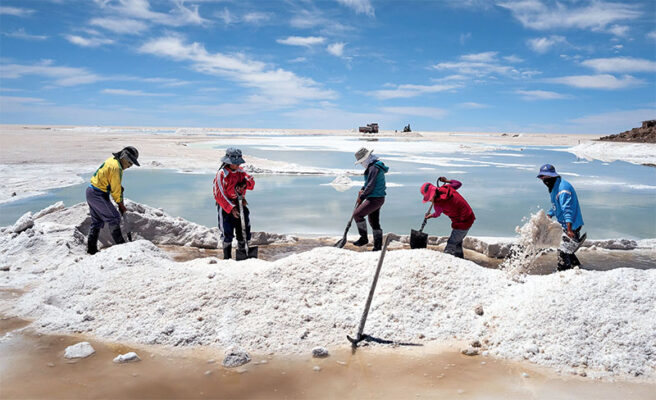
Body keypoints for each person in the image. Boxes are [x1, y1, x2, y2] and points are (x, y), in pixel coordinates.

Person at [86, 146, 140, 255]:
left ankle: (91, 250)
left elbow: (109, 180)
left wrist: (117, 187)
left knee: (97, 221)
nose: (130, 166)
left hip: (91, 191)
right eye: (130, 162)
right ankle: (122, 247)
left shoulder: (113, 161)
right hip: (98, 194)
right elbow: (115, 191)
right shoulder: (117, 168)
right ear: (124, 157)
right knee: (114, 217)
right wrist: (121, 204)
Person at [537, 164, 584, 271]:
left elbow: (567, 210)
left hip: (572, 226)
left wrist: (569, 230)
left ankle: (563, 273)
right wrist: (549, 215)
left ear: (553, 176)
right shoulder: (555, 186)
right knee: (568, 251)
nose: (545, 181)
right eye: (543, 179)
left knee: (563, 252)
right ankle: (578, 268)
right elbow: (557, 206)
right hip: (566, 225)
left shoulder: (563, 189)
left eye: (547, 178)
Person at [213, 148, 255, 260]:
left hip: (240, 204)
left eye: (238, 163)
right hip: (225, 207)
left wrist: (245, 185)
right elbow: (219, 194)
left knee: (244, 230)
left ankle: (243, 255)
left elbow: (251, 183)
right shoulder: (221, 174)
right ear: (227, 162)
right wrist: (231, 208)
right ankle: (227, 258)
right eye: (234, 163)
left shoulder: (241, 172)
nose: (236, 165)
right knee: (227, 233)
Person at [420, 177, 475, 258]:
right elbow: (458, 183)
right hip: (469, 216)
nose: (429, 200)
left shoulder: (438, 204)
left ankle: (447, 260)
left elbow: (437, 214)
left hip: (462, 222)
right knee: (457, 241)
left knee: (451, 243)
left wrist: (430, 216)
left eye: (429, 198)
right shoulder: (447, 187)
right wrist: (446, 181)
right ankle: (459, 258)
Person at [352, 147, 389, 251]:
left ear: (366, 159)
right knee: (373, 221)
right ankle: (377, 247)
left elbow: (371, 185)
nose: (361, 164)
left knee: (357, 214)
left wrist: (362, 197)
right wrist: (362, 189)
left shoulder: (374, 168)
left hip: (374, 198)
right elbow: (368, 183)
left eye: (361, 162)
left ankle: (364, 239)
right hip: (377, 197)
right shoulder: (373, 166)